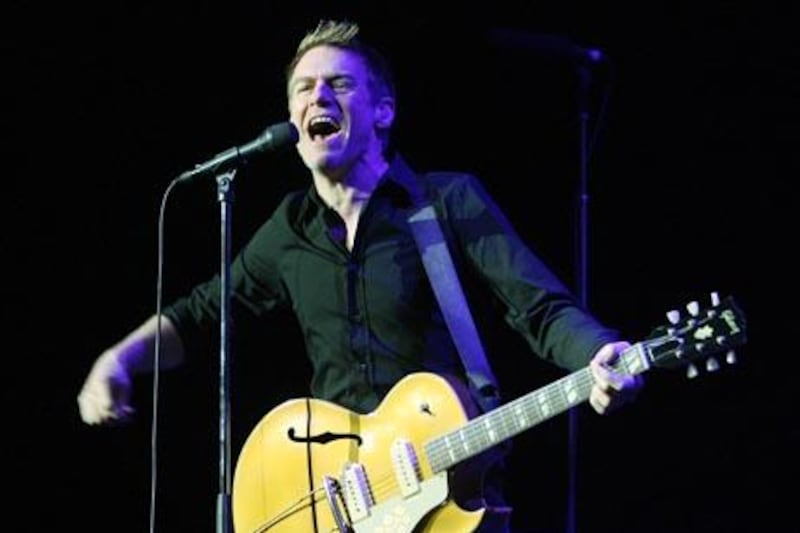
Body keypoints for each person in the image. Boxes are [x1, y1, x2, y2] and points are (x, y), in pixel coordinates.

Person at [78, 18, 644, 532]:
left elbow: (539, 308)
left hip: (447, 486)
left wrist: (598, 351)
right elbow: (202, 315)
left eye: (339, 85)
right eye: (304, 88)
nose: (318, 96)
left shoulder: (446, 201)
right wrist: (119, 359)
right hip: (336, 501)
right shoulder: (288, 229)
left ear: (383, 111)